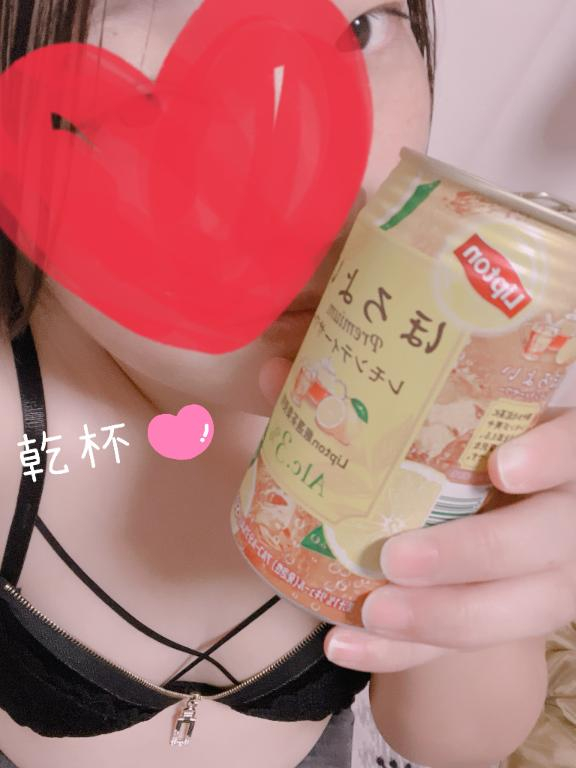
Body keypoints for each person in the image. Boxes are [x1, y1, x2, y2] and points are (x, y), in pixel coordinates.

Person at [0, 1, 573, 767]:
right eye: (134, 69)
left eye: (360, 27)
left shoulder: (427, 416)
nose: (306, 178)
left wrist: (474, 584)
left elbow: (455, 743)